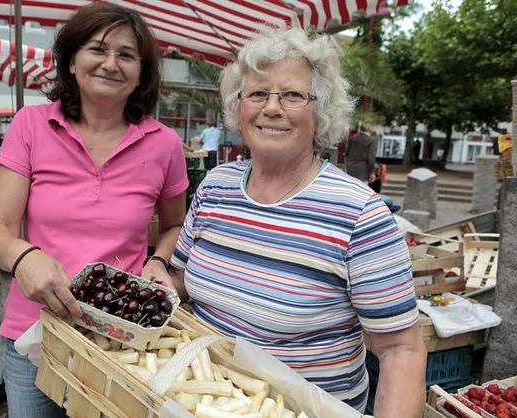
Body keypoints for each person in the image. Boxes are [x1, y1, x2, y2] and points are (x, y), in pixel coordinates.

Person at [162, 27, 426, 417]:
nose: (272, 108)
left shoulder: (359, 214)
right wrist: (155, 280)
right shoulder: (215, 187)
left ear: (321, 112)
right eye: (257, 94)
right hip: (200, 402)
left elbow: (400, 349)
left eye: (293, 95)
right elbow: (181, 281)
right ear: (240, 107)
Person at [0, 3, 188, 417]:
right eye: (98, 49)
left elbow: (175, 224)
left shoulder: (164, 143)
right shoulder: (31, 124)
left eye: (127, 55)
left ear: (141, 73)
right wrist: (24, 257)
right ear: (72, 60)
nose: (111, 64)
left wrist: (160, 261)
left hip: (119, 339)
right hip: (35, 336)